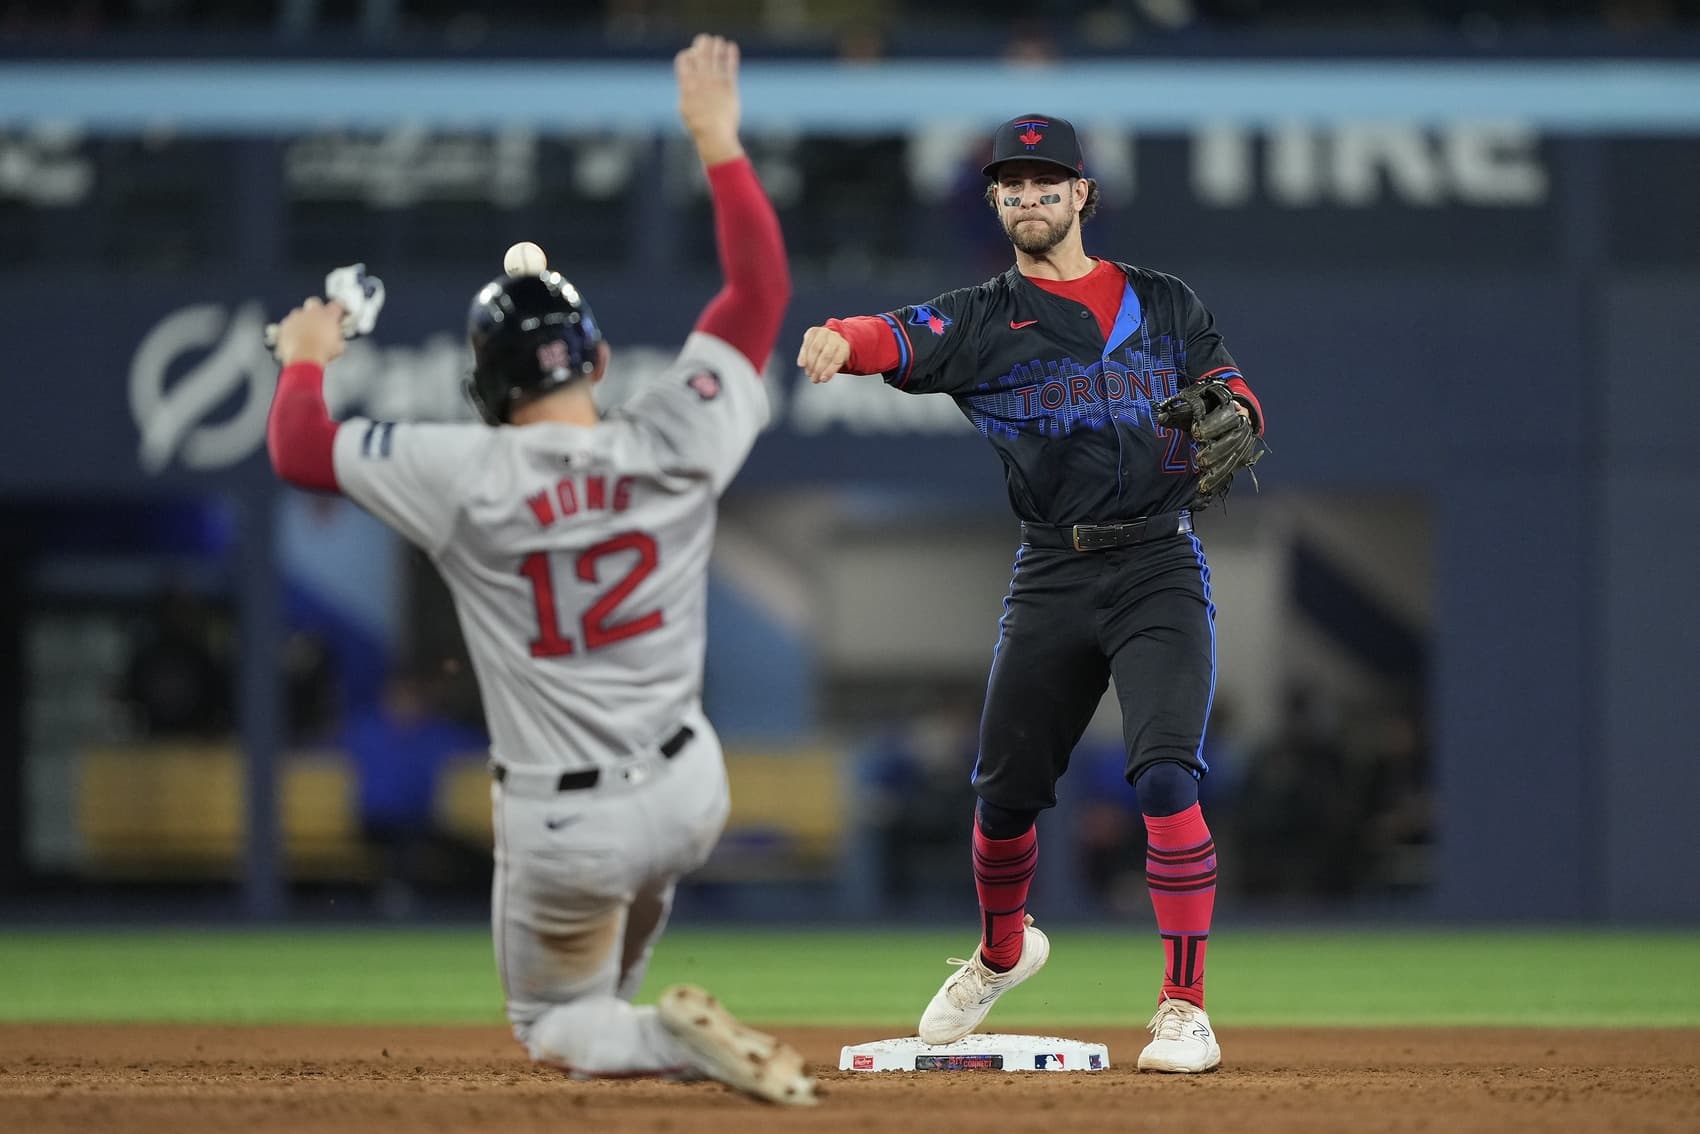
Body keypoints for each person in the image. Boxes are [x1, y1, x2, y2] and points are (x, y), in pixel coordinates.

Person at [265, 35, 814, 1107]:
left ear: (484, 387)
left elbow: (296, 450)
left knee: (553, 1022)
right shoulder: (674, 438)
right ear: (598, 360)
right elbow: (759, 287)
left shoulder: (461, 470)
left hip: (565, 825)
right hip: (691, 784)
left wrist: (305, 361)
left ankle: (654, 1036)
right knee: (616, 949)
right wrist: (716, 140)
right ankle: (641, 1022)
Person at [797, 113, 1268, 1074]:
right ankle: (1002, 954)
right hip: (1052, 570)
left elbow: (1233, 391)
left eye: (1047, 183)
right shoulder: (981, 319)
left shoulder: (1163, 301)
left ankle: (1184, 1008)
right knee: (1005, 801)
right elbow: (897, 334)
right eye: (1011, 185)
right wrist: (837, 338)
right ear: (995, 200)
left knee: (1168, 773)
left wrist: (1243, 414)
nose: (1028, 197)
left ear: (1082, 194)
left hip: (1157, 565)